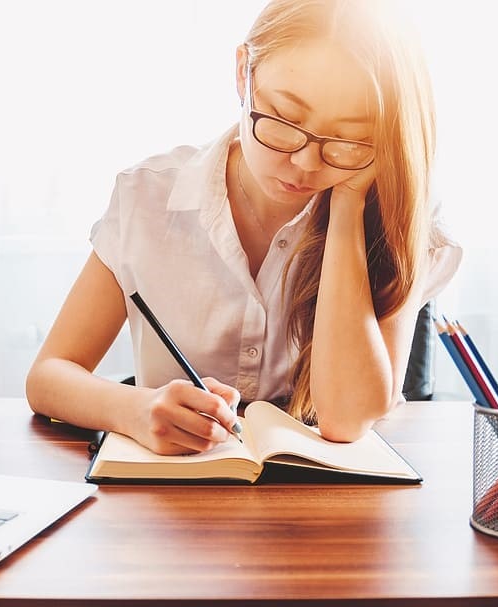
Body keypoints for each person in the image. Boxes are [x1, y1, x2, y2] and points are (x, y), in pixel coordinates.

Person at [26, 0, 461, 455]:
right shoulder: (149, 198)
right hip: (167, 504)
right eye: (285, 119)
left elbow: (347, 419)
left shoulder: (397, 222)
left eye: (347, 138)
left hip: (322, 512)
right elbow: (49, 374)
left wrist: (349, 204)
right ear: (243, 73)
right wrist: (135, 408)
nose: (305, 161)